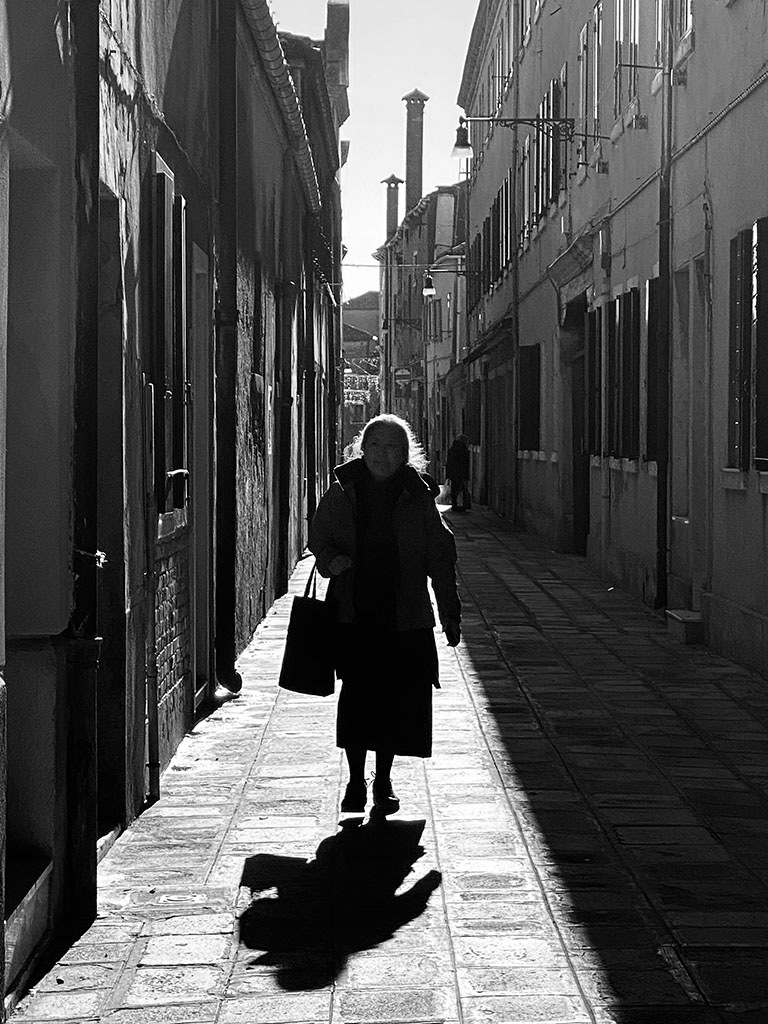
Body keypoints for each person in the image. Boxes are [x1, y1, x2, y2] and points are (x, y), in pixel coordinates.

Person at [308, 414, 461, 816]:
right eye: (375, 445)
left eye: (392, 446)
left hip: (404, 614)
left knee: (396, 701)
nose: (382, 454)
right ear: (363, 448)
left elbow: (440, 556)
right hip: (355, 613)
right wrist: (331, 560)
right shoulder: (343, 488)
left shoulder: (417, 494)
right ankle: (356, 781)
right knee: (358, 698)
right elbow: (319, 537)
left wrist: (450, 612)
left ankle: (384, 781)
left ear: (405, 454)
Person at [446, 434, 471, 512]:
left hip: (454, 473)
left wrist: (448, 474)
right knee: (460, 489)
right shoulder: (462, 450)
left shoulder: (453, 449)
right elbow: (464, 463)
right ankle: (460, 506)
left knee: (455, 489)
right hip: (460, 473)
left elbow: (449, 462)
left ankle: (455, 505)